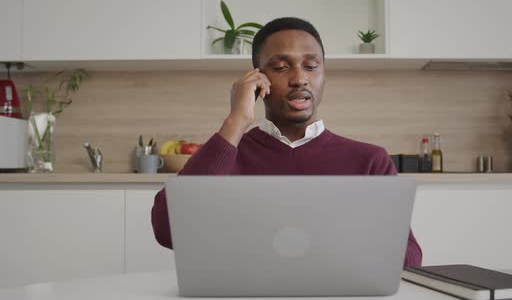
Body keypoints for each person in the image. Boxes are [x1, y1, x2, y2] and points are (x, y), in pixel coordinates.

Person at [151, 17, 422, 267]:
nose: (299, 79)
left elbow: (410, 257)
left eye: (311, 66)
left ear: (324, 76)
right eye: (281, 67)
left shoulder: (370, 160)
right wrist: (236, 120)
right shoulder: (224, 155)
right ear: (257, 79)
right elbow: (167, 229)